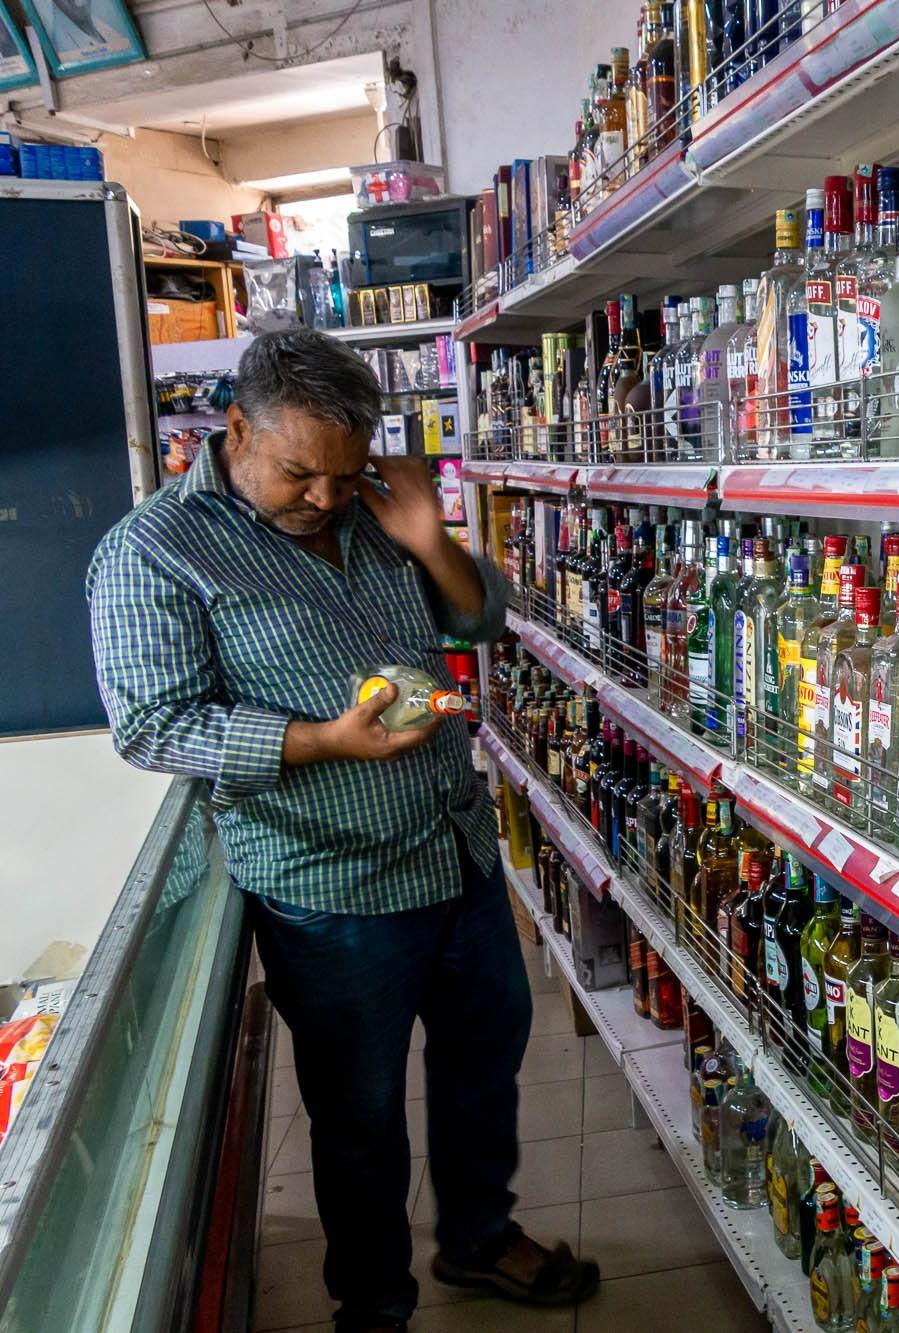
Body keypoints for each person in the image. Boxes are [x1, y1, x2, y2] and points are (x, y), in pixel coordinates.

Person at [86, 330, 598, 1333]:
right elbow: (153, 726)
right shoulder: (152, 553)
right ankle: (373, 1302)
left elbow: (481, 621)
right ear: (235, 428)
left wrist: (429, 536)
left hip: (455, 851)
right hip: (332, 889)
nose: (325, 496)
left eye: (346, 471)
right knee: (358, 1119)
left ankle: (479, 1236)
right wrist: (324, 739)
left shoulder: (370, 513)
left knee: (482, 1067)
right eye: (299, 473)